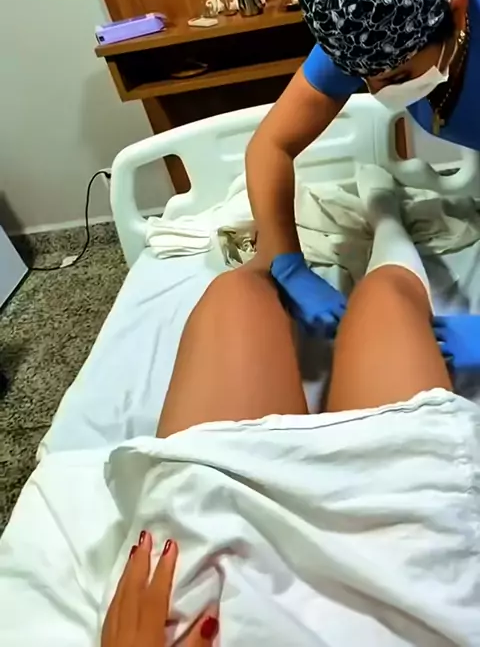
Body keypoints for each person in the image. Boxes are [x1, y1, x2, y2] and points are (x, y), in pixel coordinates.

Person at [101, 168, 480, 645]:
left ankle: (367, 219)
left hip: (217, 562)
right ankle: (384, 216)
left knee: (234, 293)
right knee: (384, 296)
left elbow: (273, 147)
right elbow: (271, 148)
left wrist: (284, 264)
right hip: (407, 577)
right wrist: (289, 267)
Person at [246, 0, 480, 335]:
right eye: (362, 77)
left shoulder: (412, 18)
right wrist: (286, 262)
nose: (377, 92)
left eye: (397, 78)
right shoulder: (370, 28)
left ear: (456, 16)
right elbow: (270, 146)